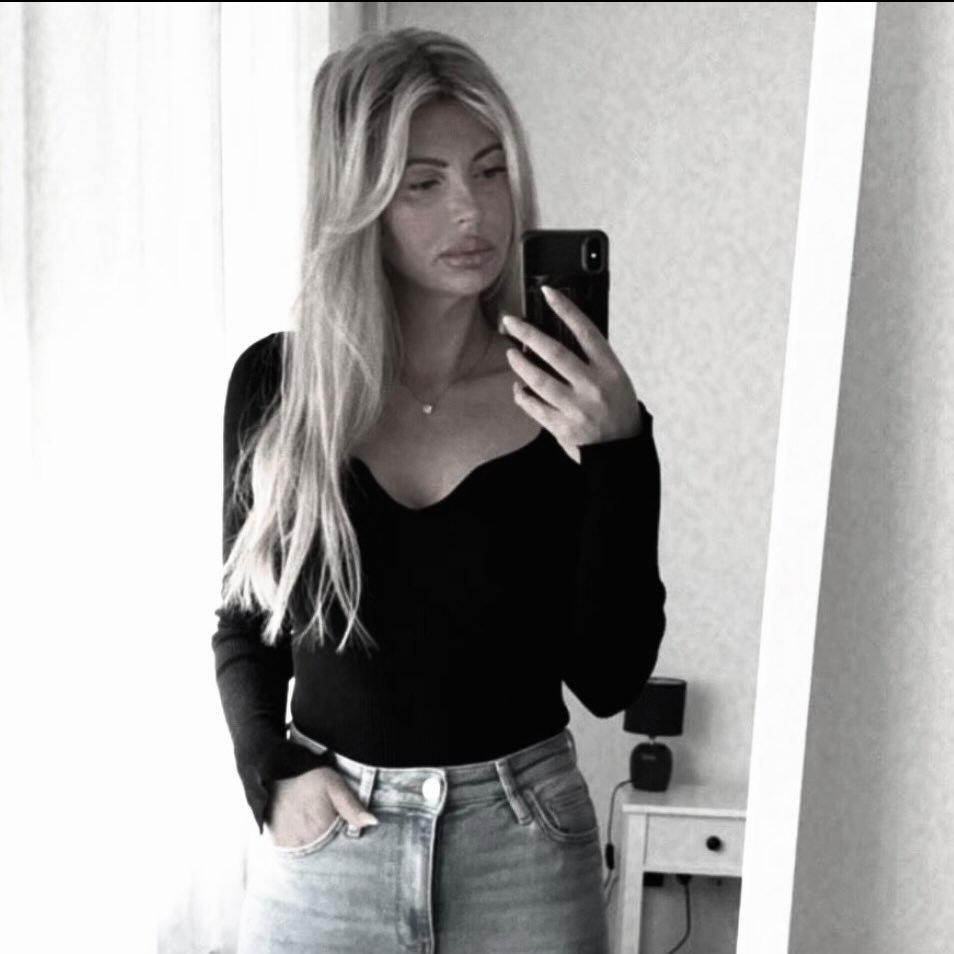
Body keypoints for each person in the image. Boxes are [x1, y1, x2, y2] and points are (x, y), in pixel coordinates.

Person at [212, 26, 666, 954]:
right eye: (424, 183)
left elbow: (610, 679)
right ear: (359, 201)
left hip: (523, 852)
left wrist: (621, 454)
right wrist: (270, 771)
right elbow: (245, 626)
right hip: (330, 845)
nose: (471, 209)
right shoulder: (280, 388)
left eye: (490, 172)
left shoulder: (567, 399)